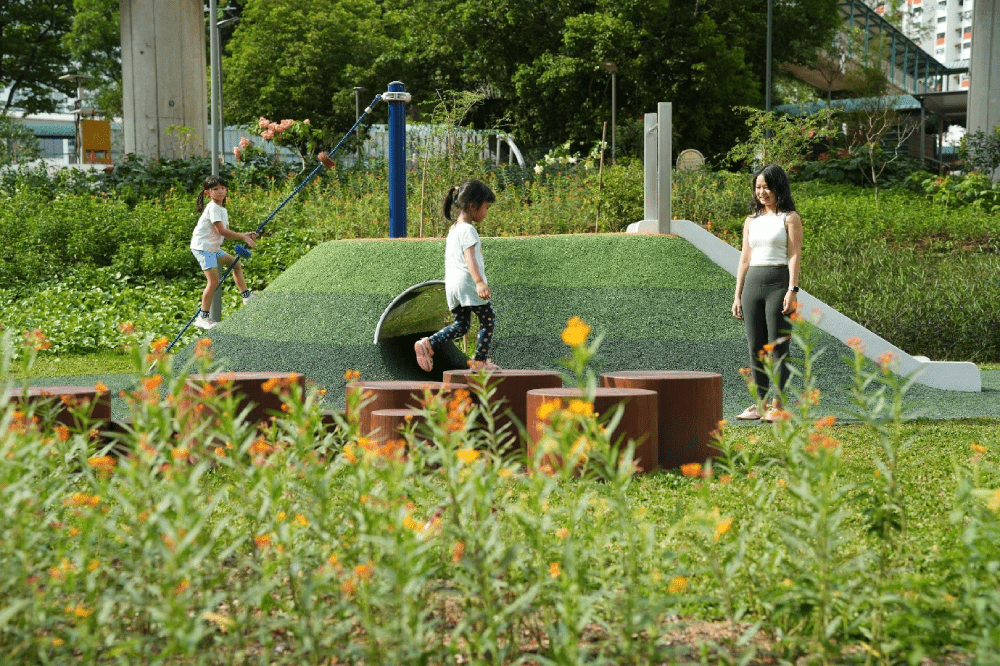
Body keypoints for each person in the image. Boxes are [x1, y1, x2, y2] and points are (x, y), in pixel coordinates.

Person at [731, 163, 803, 422]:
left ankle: (778, 405)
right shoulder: (751, 221)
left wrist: (792, 290)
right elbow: (744, 259)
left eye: (767, 187)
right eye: (758, 187)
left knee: (778, 347)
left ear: (778, 188)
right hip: (752, 284)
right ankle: (759, 403)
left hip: (778, 282)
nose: (762, 192)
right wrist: (738, 295)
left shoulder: (790, 218)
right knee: (756, 348)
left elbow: (794, 254)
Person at [415, 179, 500, 372]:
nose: (487, 213)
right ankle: (479, 362)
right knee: (488, 319)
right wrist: (479, 282)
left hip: (452, 285)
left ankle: (428, 343)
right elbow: (468, 258)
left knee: (461, 326)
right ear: (472, 205)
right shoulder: (468, 229)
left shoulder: (454, 229)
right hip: (467, 283)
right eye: (486, 207)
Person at [189, 175, 258, 330]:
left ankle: (246, 296)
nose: (220, 191)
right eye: (215, 189)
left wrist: (245, 234)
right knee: (213, 281)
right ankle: (203, 317)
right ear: (208, 193)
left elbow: (224, 232)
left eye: (222, 188)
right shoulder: (213, 208)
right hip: (203, 248)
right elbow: (222, 231)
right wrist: (243, 237)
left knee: (236, 263)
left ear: (226, 190)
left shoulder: (221, 208)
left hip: (213, 248)